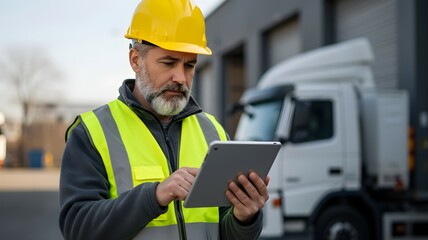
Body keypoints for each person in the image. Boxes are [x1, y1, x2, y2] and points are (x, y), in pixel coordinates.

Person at [59, 0, 270, 239]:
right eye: (168, 62)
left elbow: (225, 232)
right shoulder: (92, 132)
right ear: (135, 60)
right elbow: (77, 229)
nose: (180, 77)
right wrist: (154, 196)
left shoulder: (213, 132)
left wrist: (245, 218)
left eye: (189, 65)